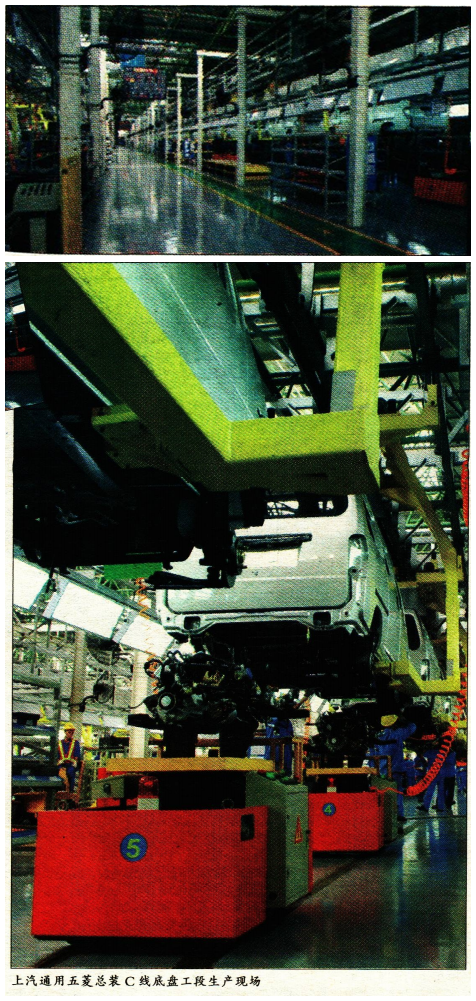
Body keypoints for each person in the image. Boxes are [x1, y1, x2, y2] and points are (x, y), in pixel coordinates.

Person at [369, 714, 417, 822]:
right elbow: (413, 727)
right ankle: (399, 814)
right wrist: (404, 721)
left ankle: (384, 814)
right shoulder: (398, 733)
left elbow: (372, 753)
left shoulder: (378, 736)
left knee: (383, 792)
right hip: (396, 769)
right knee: (397, 791)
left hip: (382, 770)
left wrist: (374, 767)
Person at [417, 746, 446, 813]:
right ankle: (440, 807)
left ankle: (426, 806)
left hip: (432, 773)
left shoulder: (430, 752)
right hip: (441, 772)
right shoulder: (442, 752)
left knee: (430, 790)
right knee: (441, 791)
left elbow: (424, 759)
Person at [57, 723, 82, 792]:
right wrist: (58, 762)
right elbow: (57, 755)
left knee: (70, 773)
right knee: (59, 774)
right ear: (65, 732)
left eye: (72, 732)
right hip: (61, 764)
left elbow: (77, 754)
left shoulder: (75, 743)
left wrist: (75, 762)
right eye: (69, 732)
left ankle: (70, 792)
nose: (71, 734)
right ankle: (60, 791)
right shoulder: (59, 743)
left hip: (71, 765)